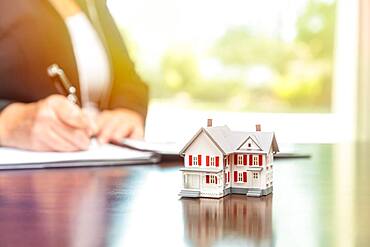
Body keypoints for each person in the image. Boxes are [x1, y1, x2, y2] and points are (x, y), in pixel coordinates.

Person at [0, 0, 149, 152]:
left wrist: (127, 112)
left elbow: (129, 78)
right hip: (22, 166)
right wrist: (7, 123)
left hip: (101, 157)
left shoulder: (94, 5)